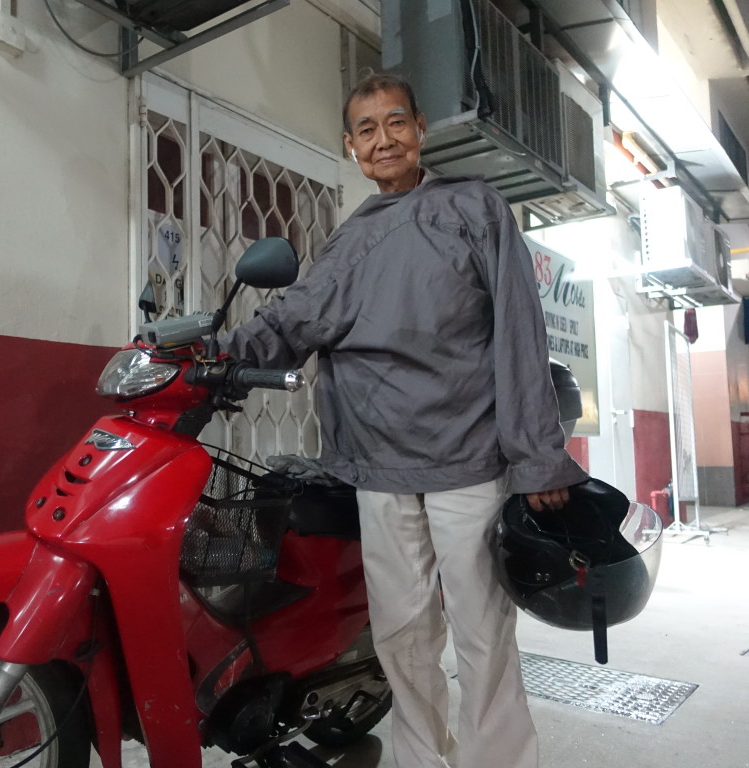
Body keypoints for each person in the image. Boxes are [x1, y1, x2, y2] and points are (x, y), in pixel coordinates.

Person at [223, 73, 588, 768]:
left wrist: (538, 456)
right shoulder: (350, 239)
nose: (383, 139)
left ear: (421, 129)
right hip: (378, 465)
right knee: (401, 635)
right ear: (350, 146)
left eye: (396, 123)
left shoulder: (474, 207)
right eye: (367, 129)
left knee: (482, 634)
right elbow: (292, 319)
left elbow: (519, 331)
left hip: (467, 459)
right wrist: (213, 354)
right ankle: (422, 759)